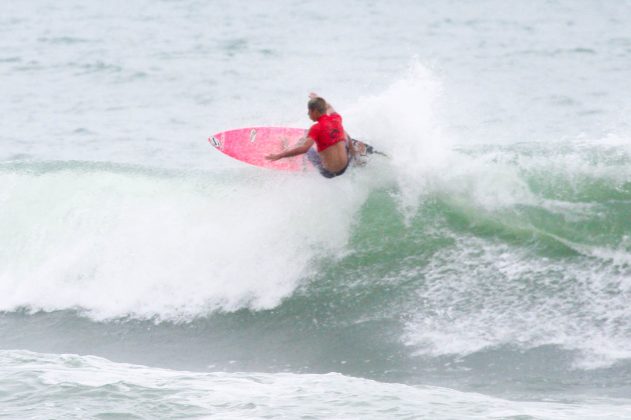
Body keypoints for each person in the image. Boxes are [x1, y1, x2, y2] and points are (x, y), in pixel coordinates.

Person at [266, 93, 351, 178]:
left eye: (309, 111)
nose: (308, 114)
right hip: (345, 166)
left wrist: (280, 155)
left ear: (314, 111)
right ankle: (354, 153)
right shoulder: (336, 118)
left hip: (329, 173)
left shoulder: (316, 128)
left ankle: (293, 157)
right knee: (343, 132)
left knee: (305, 144)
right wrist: (318, 99)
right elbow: (329, 107)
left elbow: (304, 149)